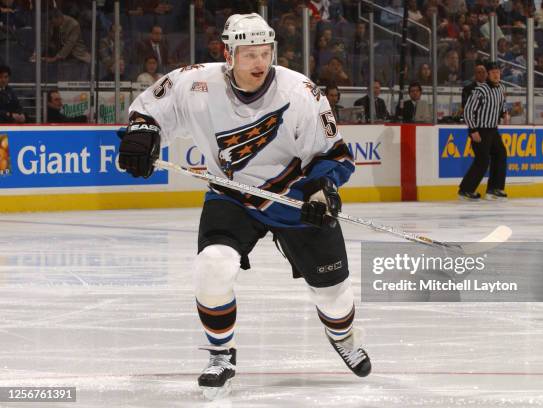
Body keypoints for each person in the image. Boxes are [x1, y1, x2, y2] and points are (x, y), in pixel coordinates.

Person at [117, 13, 371, 397]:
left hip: (295, 197)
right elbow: (149, 110)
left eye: (265, 53)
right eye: (249, 54)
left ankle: (345, 337)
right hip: (231, 193)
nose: (259, 63)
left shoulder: (300, 90)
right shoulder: (196, 82)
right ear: (228, 53)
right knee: (212, 265)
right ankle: (220, 355)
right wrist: (141, 134)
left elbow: (332, 155)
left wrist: (322, 190)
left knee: (334, 296)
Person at [459, 61, 509, 201]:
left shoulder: (501, 88)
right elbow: (468, 110)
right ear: (488, 74)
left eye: (498, 72)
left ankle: (494, 189)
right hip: (480, 129)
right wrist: (473, 129)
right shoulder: (480, 90)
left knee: (500, 154)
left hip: (493, 129)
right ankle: (465, 190)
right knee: (482, 160)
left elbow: (501, 105)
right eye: (493, 73)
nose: (496, 75)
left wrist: (504, 113)